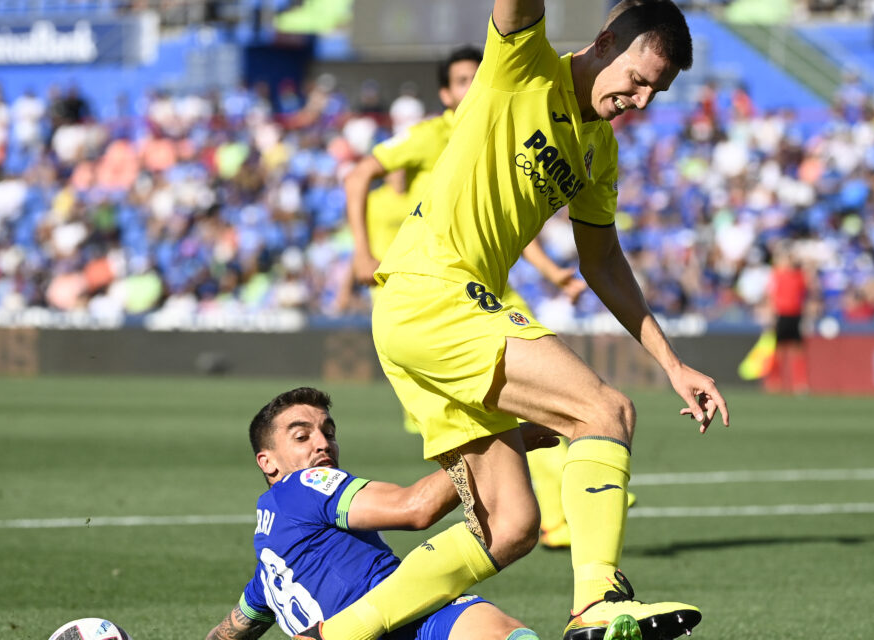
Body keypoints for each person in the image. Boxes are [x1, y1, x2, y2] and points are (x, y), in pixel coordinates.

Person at [302, 1, 729, 640]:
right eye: (639, 79)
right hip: (434, 293)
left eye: (656, 92)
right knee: (603, 413)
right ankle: (596, 603)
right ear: (607, 40)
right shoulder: (522, 65)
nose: (640, 100)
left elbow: (604, 262)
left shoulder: (597, 152)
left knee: (511, 528)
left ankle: (334, 635)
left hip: (422, 315)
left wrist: (671, 364)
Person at [343, 45, 592, 548]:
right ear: (444, 93)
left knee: (554, 398)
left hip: (490, 288)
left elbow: (519, 222)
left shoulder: (503, 126)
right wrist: (361, 253)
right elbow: (360, 174)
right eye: (460, 80)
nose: (470, 86)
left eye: (476, 77)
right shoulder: (433, 136)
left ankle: (566, 501)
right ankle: (529, 507)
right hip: (428, 294)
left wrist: (553, 272)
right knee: (470, 429)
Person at [203, 387, 643, 640]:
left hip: (413, 613)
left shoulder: (269, 574)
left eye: (328, 432)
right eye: (302, 436)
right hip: (398, 619)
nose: (322, 444)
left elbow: (230, 630)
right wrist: (502, 444)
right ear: (268, 463)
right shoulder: (302, 484)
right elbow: (416, 508)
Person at [764, 247, 809, 395]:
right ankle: (775, 382)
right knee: (778, 351)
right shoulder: (777, 275)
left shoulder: (799, 275)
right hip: (782, 315)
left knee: (797, 350)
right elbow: (771, 296)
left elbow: (806, 293)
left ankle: (800, 384)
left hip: (795, 315)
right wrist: (770, 316)